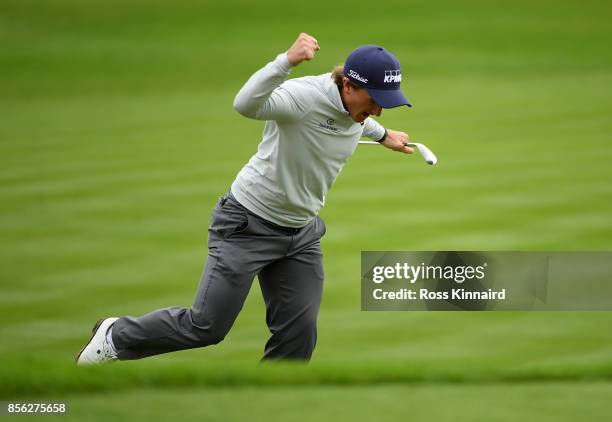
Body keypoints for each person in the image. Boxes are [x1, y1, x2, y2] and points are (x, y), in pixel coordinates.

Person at [76, 32, 414, 365]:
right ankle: (115, 335)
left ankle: (276, 404)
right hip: (248, 224)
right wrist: (285, 62)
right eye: (375, 101)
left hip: (300, 234)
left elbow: (349, 121)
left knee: (299, 334)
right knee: (206, 327)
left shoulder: (356, 112)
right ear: (349, 86)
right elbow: (246, 104)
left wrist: (384, 135)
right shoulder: (303, 96)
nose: (380, 110)